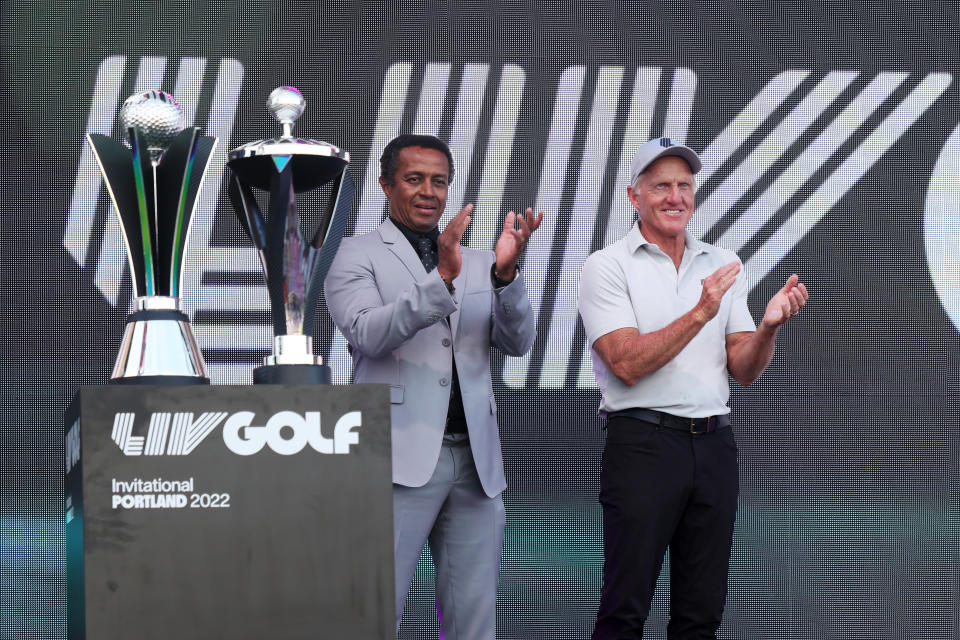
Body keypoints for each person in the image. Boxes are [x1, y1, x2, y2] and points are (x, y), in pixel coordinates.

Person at [578, 137, 809, 639]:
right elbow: (626, 364)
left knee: (700, 615)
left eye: (684, 185)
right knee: (624, 611)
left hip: (713, 447)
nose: (675, 197)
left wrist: (768, 327)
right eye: (660, 186)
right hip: (642, 445)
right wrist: (701, 312)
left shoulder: (720, 262)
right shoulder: (607, 265)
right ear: (633, 196)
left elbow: (744, 370)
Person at [324, 133, 543, 639]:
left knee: (474, 625)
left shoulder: (478, 260)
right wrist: (441, 278)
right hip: (394, 460)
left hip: (475, 466)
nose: (429, 191)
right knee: (372, 616)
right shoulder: (352, 253)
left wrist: (507, 275)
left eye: (439, 181)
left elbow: (518, 342)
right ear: (385, 185)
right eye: (414, 178)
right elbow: (368, 333)